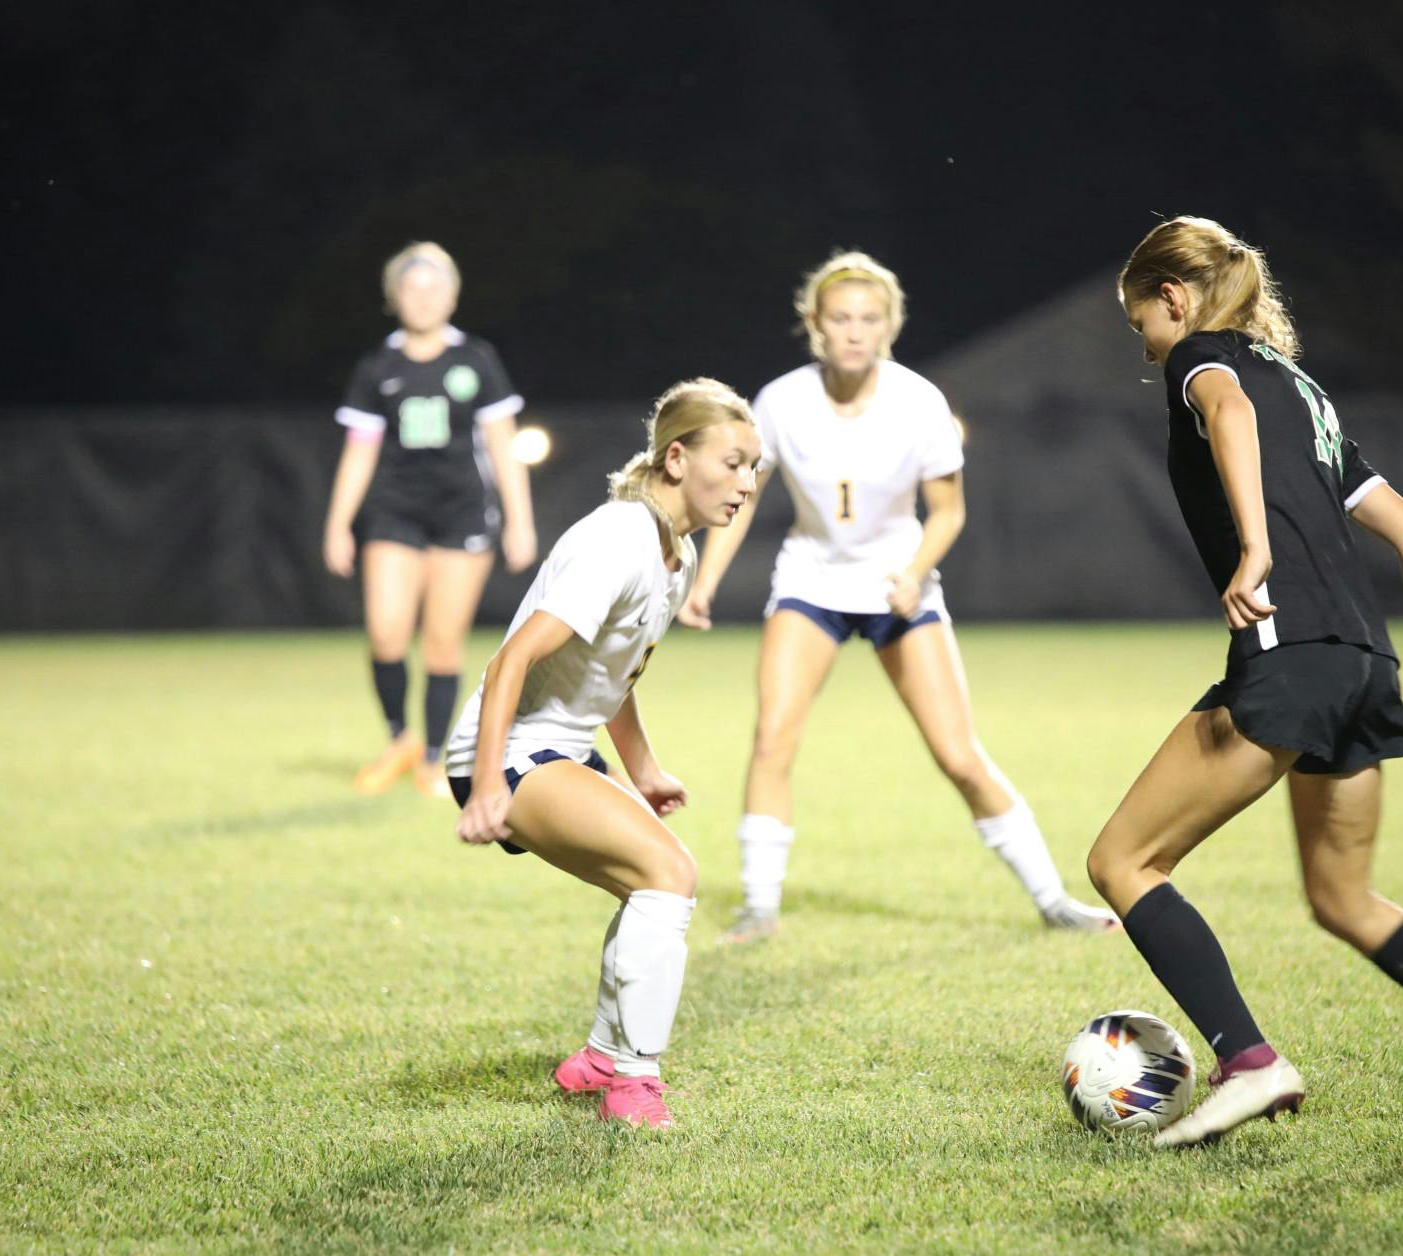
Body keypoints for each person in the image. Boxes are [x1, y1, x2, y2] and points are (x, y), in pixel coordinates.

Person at [1085, 216, 1403, 1149]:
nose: (1145, 345)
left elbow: (1227, 413)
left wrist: (1256, 549)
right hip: (1364, 662)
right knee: (1344, 897)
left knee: (1123, 861)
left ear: (1174, 298)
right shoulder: (1304, 390)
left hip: (1290, 655)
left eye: (1139, 322)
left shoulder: (1199, 358)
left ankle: (1250, 1062)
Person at [678, 250, 1115, 943]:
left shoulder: (918, 401)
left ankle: (1053, 900)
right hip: (811, 583)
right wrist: (703, 582)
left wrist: (913, 571)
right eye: (840, 318)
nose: (854, 331)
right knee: (772, 738)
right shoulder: (780, 401)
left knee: (959, 754)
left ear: (890, 326)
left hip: (898, 587)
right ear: (815, 324)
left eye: (868, 319)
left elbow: (948, 512)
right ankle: (759, 908)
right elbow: (742, 496)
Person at [446, 378, 759, 1129]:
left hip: (554, 748)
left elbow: (610, 674)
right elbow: (510, 661)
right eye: (733, 463)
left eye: (754, 468)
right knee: (669, 874)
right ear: (676, 458)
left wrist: (643, 768)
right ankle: (632, 1081)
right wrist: (487, 785)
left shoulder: (675, 551)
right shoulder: (619, 539)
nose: (747, 484)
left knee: (652, 886)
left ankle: (599, 1059)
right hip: (511, 751)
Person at [323, 242, 538, 799]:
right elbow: (360, 451)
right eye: (412, 288)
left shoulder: (477, 360)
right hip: (394, 511)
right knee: (386, 632)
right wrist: (338, 523)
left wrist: (520, 521)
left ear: (453, 294)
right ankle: (400, 739)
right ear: (394, 297)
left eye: (435, 287)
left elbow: (502, 445)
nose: (423, 298)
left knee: (443, 642)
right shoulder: (378, 367)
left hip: (462, 513)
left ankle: (434, 758)